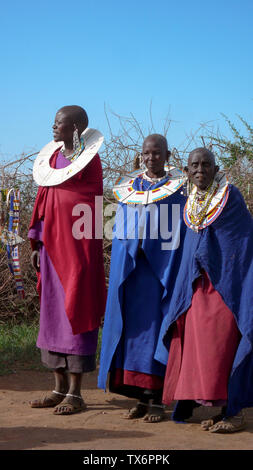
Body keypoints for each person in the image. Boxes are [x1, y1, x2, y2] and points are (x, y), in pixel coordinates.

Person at [161, 147, 253, 432]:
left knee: (224, 346)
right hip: (196, 288)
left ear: (216, 168)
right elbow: (187, 248)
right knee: (199, 350)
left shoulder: (230, 198)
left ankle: (233, 412)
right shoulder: (191, 203)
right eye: (195, 165)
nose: (200, 170)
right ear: (187, 171)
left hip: (226, 286)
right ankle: (213, 406)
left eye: (206, 164)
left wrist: (212, 262)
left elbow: (240, 243)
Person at [98, 134, 187, 422]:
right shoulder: (129, 191)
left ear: (168, 155)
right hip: (132, 274)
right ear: (141, 155)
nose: (152, 158)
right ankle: (139, 398)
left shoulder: (177, 193)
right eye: (147, 153)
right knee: (132, 333)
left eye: (158, 153)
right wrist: (131, 245)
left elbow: (177, 234)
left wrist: (150, 244)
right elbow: (122, 228)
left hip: (158, 275)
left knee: (155, 333)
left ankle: (158, 399)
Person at [28, 105, 106, 415]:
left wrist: (85, 251)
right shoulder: (52, 161)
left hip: (78, 252)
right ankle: (57, 388)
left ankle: (76, 393)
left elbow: (92, 204)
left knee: (77, 310)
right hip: (50, 251)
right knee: (52, 315)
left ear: (74, 127)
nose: (53, 127)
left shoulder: (90, 161)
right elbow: (43, 201)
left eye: (58, 123)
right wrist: (37, 241)